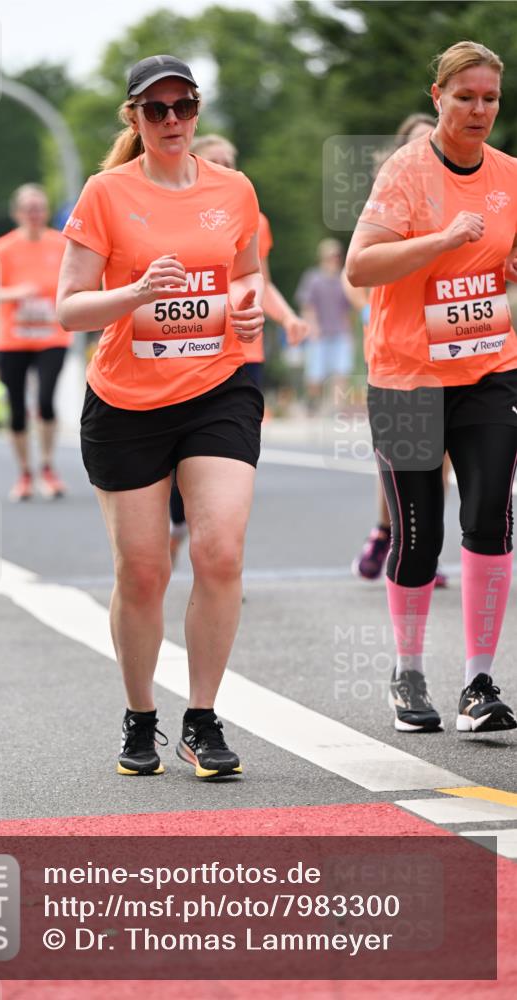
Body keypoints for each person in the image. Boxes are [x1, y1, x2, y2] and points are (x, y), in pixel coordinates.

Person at [57, 55, 265, 778]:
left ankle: (202, 719)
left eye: (183, 108)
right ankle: (140, 715)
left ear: (197, 111)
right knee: (142, 573)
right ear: (134, 118)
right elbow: (69, 306)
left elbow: (245, 269)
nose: (172, 121)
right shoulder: (106, 193)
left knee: (219, 551)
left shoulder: (232, 189)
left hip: (217, 387)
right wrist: (135, 292)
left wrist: (243, 299)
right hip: (126, 401)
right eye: (156, 110)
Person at [346, 40, 517, 734]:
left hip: (487, 368)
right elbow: (360, 265)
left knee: (488, 514)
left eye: (489, 98)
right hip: (406, 376)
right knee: (417, 537)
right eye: (464, 96)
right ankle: (407, 672)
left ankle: (478, 681)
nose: (477, 110)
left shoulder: (509, 173)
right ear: (436, 97)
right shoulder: (405, 174)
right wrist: (443, 240)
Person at [169, 133, 308, 564]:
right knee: (180, 464)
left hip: (244, 356)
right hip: (188, 353)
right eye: (216, 160)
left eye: (232, 159)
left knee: (229, 461)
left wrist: (287, 318)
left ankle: (219, 561)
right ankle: (177, 528)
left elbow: (257, 278)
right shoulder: (171, 209)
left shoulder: (252, 216)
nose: (226, 166)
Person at [348, 114, 450, 587]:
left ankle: (423, 544)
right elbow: (360, 267)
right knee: (406, 451)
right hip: (401, 345)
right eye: (414, 145)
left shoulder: (466, 190)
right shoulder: (389, 196)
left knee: (442, 454)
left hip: (454, 343)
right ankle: (387, 531)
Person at [0, 184, 71, 500]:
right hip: (12, 339)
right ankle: (24, 473)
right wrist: (17, 293)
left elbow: (78, 284)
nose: (34, 214)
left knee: (45, 401)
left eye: (40, 208)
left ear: (46, 212)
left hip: (52, 336)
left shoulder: (61, 245)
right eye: (28, 208)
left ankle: (47, 466)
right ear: (17, 213)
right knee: (16, 408)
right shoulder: (2, 248)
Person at [295, 238, 354, 414]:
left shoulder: (343, 279)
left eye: (337, 256)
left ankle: (337, 407)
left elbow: (348, 308)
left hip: (340, 331)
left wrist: (348, 329)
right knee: (315, 373)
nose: (335, 259)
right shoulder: (313, 278)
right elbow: (307, 305)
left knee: (342, 370)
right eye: (331, 256)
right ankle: (313, 404)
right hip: (319, 333)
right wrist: (312, 328)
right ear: (322, 257)